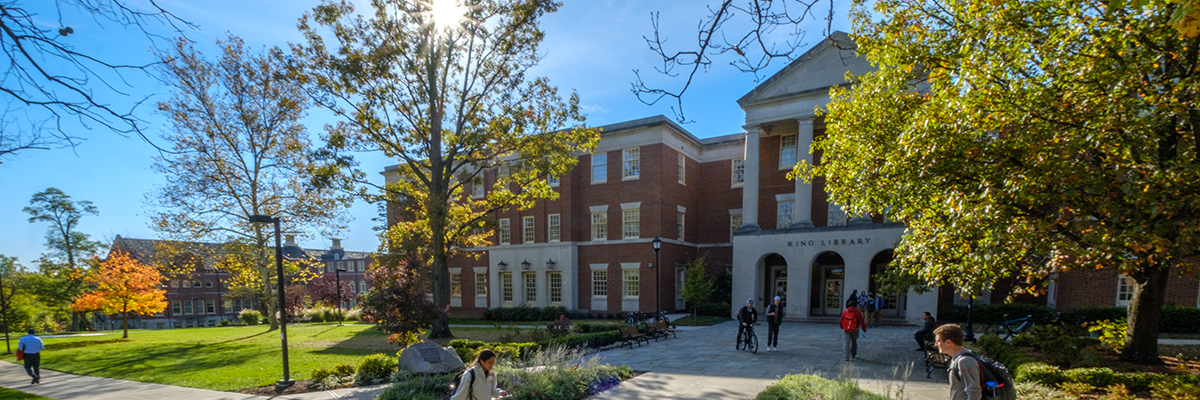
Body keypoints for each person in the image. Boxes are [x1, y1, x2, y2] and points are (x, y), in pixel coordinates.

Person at [935, 324, 983, 400]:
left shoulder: (965, 361)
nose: (936, 344)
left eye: (938, 341)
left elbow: (974, 393)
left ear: (948, 342)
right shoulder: (956, 358)